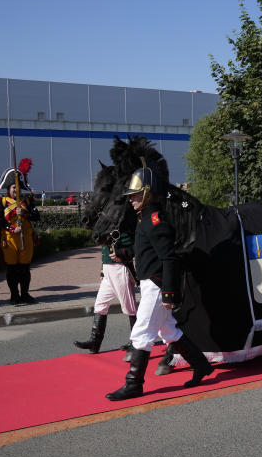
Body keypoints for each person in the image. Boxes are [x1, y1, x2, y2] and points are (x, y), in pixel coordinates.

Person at [105, 165, 213, 401]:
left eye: (134, 195)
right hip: (150, 282)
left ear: (146, 192)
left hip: (156, 284)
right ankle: (202, 366)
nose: (131, 199)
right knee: (169, 331)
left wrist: (169, 293)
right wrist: (125, 252)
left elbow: (169, 257)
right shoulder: (146, 218)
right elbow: (146, 249)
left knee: (142, 332)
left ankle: (133, 384)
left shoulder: (154, 220)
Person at [73, 230, 137, 354]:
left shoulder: (121, 225)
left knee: (130, 308)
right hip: (108, 270)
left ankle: (136, 341)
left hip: (120, 268)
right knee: (100, 305)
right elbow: (105, 249)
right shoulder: (106, 224)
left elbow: (130, 246)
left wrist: (122, 254)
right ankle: (94, 342)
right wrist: (102, 269)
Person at [0, 159, 40, 304]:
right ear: (8, 188)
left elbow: (37, 217)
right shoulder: (1, 203)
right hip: (9, 240)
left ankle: (25, 294)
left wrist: (25, 213)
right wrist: (11, 228)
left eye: (18, 187)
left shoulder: (28, 202)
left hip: (26, 240)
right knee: (12, 270)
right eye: (14, 187)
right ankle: (14, 295)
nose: (16, 190)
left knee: (25, 269)